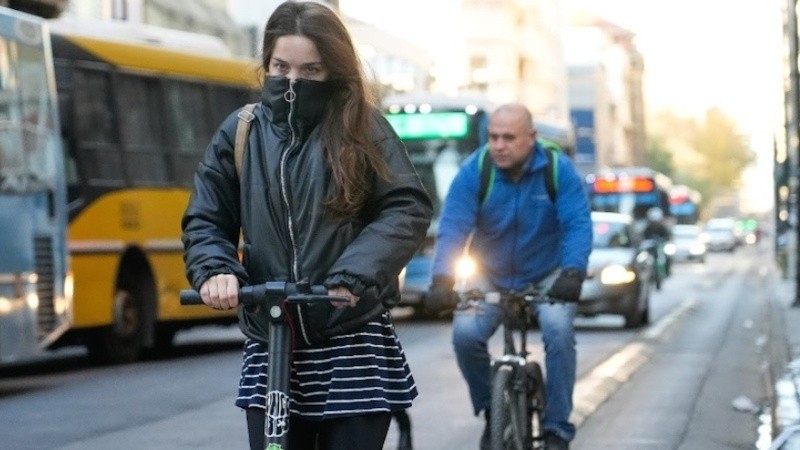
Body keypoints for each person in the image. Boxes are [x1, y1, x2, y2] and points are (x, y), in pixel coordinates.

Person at [181, 2, 433, 449]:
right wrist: (215, 269)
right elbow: (206, 218)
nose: (293, 82)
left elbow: (405, 207)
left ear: (334, 70)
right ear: (267, 63)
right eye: (281, 67)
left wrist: (353, 273)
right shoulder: (241, 132)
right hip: (272, 337)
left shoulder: (364, 129)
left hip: (351, 339)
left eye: (310, 70)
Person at [426, 103, 592, 450]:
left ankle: (557, 429)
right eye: (493, 137)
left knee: (559, 332)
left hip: (548, 273)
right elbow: (454, 226)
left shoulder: (557, 169)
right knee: (465, 335)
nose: (499, 146)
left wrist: (573, 272)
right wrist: (442, 279)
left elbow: (577, 224)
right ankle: (493, 409)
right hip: (490, 274)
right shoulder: (476, 170)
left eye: (508, 138)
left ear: (532, 137)